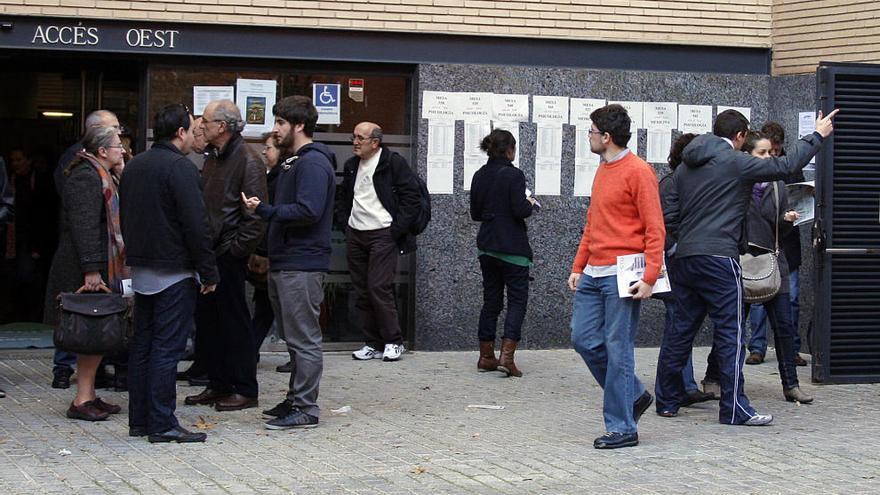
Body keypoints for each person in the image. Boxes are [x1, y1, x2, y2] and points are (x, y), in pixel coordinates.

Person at [654, 109, 836, 426]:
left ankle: (667, 401)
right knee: (732, 331)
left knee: (679, 331)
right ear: (740, 136)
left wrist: (680, 243)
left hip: (685, 258)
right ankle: (735, 407)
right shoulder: (734, 161)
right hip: (720, 257)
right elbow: (786, 165)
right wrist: (817, 135)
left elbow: (670, 210)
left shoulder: (686, 166)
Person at [568, 104, 665, 449]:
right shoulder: (603, 170)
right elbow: (592, 223)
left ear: (606, 137)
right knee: (583, 338)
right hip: (594, 271)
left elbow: (655, 228)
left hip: (622, 274)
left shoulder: (639, 172)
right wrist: (579, 266)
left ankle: (623, 426)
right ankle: (635, 394)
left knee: (618, 347)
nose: (589, 137)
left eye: (591, 131)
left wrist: (651, 276)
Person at [120, 103, 219, 443]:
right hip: (174, 270)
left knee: (143, 346)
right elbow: (196, 225)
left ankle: (140, 420)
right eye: (193, 129)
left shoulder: (135, 166)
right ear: (180, 132)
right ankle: (162, 422)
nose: (196, 134)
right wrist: (208, 271)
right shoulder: (181, 168)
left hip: (143, 267)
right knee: (166, 349)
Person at [242, 95, 336, 430]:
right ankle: (295, 399)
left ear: (298, 125)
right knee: (294, 337)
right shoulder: (293, 162)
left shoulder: (311, 163)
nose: (275, 128)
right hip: (286, 262)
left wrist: (265, 211)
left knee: (304, 338)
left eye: (281, 122)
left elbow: (309, 211)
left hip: (302, 263)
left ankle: (306, 408)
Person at [185, 99, 267, 413]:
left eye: (205, 120)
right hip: (210, 254)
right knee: (210, 323)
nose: (200, 125)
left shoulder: (247, 159)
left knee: (234, 323)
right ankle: (218, 383)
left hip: (227, 256)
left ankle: (245, 388)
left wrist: (234, 252)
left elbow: (256, 216)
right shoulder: (215, 156)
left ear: (222, 126)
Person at [42, 125, 126, 421]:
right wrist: (91, 270)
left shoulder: (103, 175)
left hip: (97, 265)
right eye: (118, 146)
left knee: (95, 332)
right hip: (84, 269)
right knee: (88, 330)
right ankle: (81, 399)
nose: (123, 150)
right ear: (102, 151)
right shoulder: (84, 176)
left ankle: (88, 394)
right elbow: (84, 225)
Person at [737, 132, 813, 403]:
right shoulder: (738, 183)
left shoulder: (778, 184)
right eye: (762, 153)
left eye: (771, 153)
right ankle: (723, 381)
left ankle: (790, 384)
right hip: (743, 262)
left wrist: (786, 218)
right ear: (748, 155)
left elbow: (777, 223)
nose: (769, 158)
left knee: (783, 325)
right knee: (732, 327)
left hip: (773, 260)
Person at [338, 122, 421, 362]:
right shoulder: (352, 165)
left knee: (378, 287)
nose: (355, 142)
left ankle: (393, 341)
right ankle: (372, 343)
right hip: (356, 233)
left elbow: (411, 198)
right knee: (362, 290)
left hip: (383, 234)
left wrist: (395, 230)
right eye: (353, 137)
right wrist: (346, 223)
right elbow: (345, 196)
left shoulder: (392, 162)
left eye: (360, 138)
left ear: (375, 142)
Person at [469, 129, 535, 376]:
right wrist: (529, 203)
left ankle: (486, 356)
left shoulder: (479, 175)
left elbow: (475, 214)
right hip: (513, 249)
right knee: (517, 301)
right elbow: (520, 210)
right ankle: (507, 358)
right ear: (510, 150)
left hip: (487, 247)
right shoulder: (514, 175)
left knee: (491, 301)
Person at [659, 133, 715, 405]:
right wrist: (678, 247)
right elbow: (667, 223)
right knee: (677, 327)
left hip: (685, 258)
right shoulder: (672, 183)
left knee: (681, 326)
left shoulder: (683, 181)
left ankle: (684, 385)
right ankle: (677, 388)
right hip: (676, 261)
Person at [248, 132, 287, 371]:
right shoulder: (270, 176)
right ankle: (250, 350)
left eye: (269, 148)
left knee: (277, 308)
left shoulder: (279, 179)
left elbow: (272, 218)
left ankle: (251, 350)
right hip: (268, 250)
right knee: (265, 306)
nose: (264, 151)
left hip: (275, 253)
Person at [7, 147, 57, 323]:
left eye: (19, 160)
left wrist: (39, 246)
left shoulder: (41, 182)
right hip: (12, 242)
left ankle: (32, 318)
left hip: (33, 242)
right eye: (13, 160)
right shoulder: (9, 182)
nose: (15, 164)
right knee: (14, 280)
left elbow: (46, 216)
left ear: (29, 161)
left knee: (30, 279)